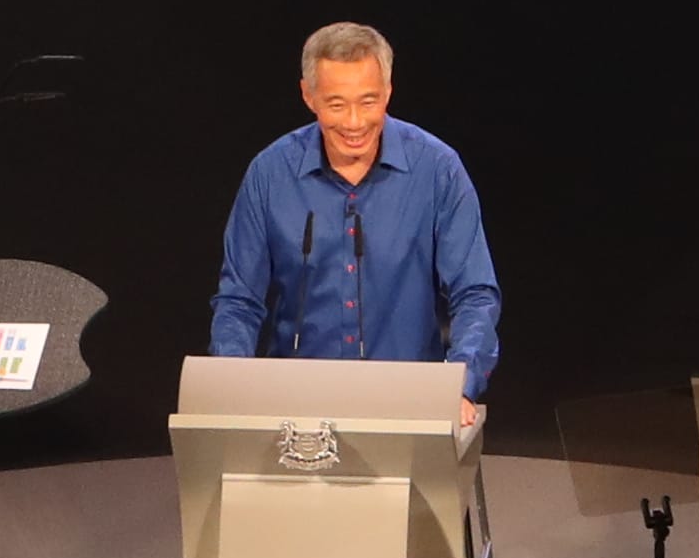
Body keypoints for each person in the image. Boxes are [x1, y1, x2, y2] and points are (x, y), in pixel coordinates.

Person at [205, 24, 499, 432]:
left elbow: (475, 292)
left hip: (410, 406)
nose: (356, 123)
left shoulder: (437, 170)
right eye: (337, 105)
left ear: (389, 92)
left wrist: (461, 383)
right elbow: (239, 301)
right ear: (309, 96)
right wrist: (231, 388)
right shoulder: (270, 174)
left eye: (369, 101)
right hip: (296, 411)